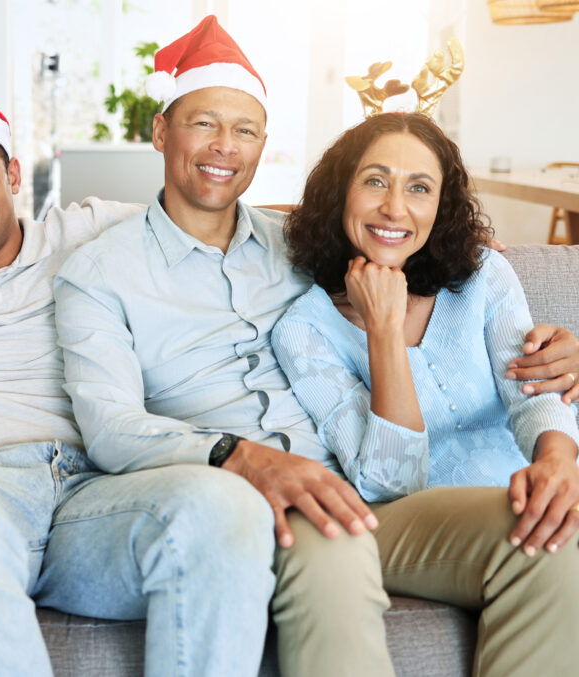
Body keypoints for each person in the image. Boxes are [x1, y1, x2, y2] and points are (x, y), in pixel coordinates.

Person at [0, 34, 579, 677]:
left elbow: (417, 290)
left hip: (160, 486)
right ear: (161, 136)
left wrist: (554, 393)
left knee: (234, 514)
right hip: (3, 477)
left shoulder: (285, 263)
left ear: (17, 174)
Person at [52, 16, 579, 677]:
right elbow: (110, 425)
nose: (225, 146)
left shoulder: (294, 246)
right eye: (203, 123)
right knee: (335, 535)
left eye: (244, 129)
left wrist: (560, 356)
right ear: (160, 131)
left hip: (398, 496)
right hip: (268, 496)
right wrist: (241, 456)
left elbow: (406, 246)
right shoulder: (105, 271)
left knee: (555, 537)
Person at [271, 111, 579, 676]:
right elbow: (391, 481)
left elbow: (533, 387)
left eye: (419, 188)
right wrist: (383, 330)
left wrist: (559, 461)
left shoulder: (483, 274)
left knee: (556, 517)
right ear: (341, 191)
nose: (395, 207)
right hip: (401, 525)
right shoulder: (304, 329)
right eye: (375, 181)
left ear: (440, 206)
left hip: (514, 492)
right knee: (546, 534)